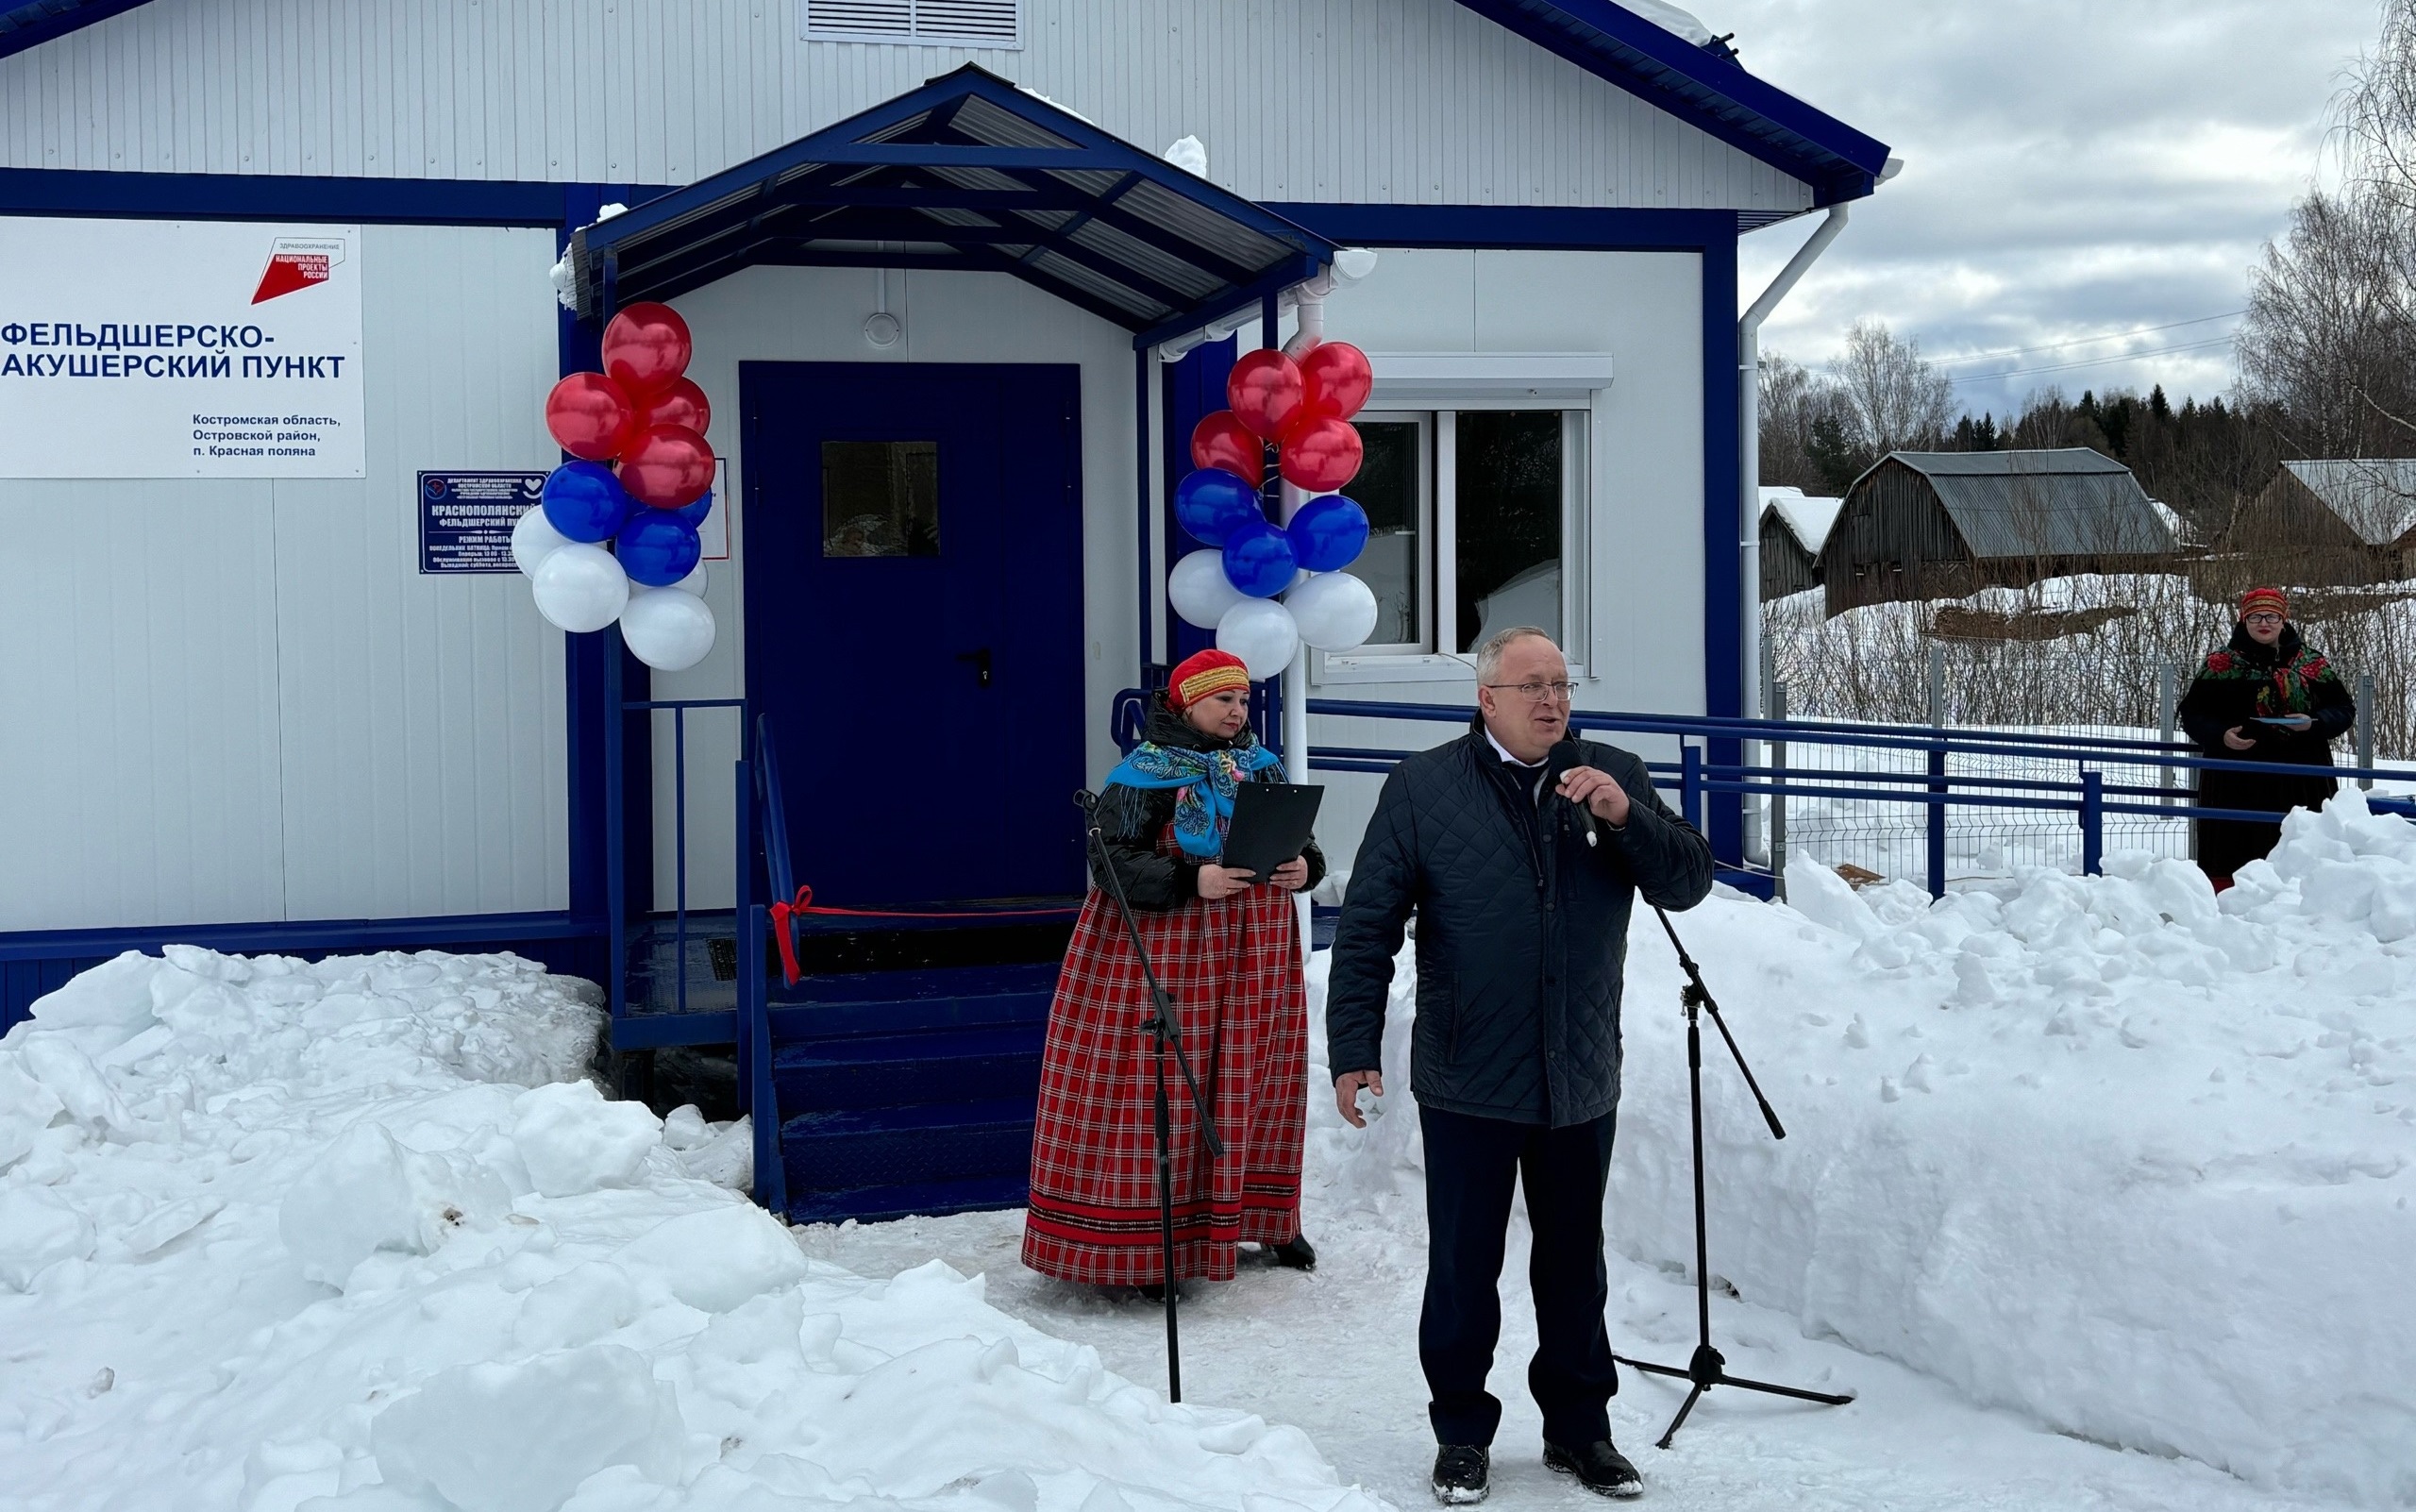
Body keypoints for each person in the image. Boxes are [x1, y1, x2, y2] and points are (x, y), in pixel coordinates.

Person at [1325, 627, 1714, 1504]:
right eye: (1532, 686)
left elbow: (1689, 881)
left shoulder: (1612, 774)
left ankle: (1582, 1432)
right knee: (1465, 1266)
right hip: (1467, 1075)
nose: (1552, 702)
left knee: (1575, 1265)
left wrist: (1625, 817)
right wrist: (1352, 1049)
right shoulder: (1423, 787)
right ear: (1486, 698)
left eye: (1563, 686)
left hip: (1577, 1073)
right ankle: (1461, 1432)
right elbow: (1368, 929)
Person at [1022, 648, 1325, 1290]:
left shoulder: (1259, 767)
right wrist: (1192, 879)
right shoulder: (1144, 774)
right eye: (1224, 700)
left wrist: (1307, 867)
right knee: (1163, 1085)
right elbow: (1110, 864)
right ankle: (1151, 1243)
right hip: (1166, 951)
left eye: (1243, 701)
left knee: (1256, 1076)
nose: (1238, 711)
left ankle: (1264, 1217)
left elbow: (1299, 837)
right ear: (1189, 702)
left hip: (1252, 952)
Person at [2178, 586, 2357, 888]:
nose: (2264, 622)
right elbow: (2192, 714)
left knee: (2301, 848)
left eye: (2272, 616)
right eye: (2256, 616)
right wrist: (2221, 735)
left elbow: (2343, 709)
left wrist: (2314, 722)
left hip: (2302, 777)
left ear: (2284, 620)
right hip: (2235, 778)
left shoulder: (2311, 663)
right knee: (2235, 849)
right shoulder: (2219, 665)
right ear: (2243, 621)